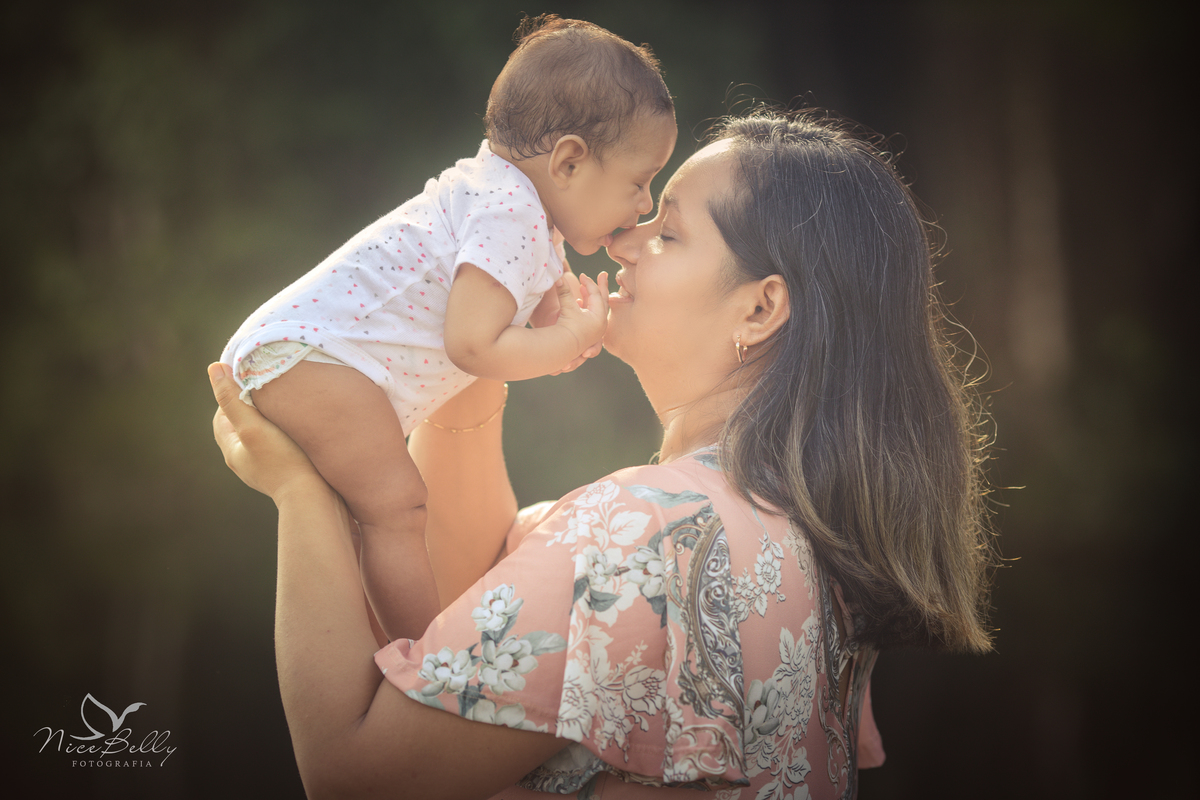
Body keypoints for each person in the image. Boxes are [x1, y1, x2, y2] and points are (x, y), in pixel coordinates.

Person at [210, 109, 994, 799]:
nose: (623, 242)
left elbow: (353, 778)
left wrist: (301, 493)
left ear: (760, 307)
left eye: (669, 232)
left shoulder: (641, 534)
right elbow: (470, 611)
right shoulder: (786, 535)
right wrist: (483, 353)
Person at [218, 16, 677, 641]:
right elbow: (474, 343)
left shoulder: (510, 206)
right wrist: (564, 340)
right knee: (397, 508)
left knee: (367, 516)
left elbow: (516, 319)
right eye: (639, 182)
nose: (645, 205)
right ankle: (422, 662)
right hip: (311, 356)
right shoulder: (510, 213)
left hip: (308, 354)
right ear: (568, 161)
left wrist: (561, 322)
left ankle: (389, 654)